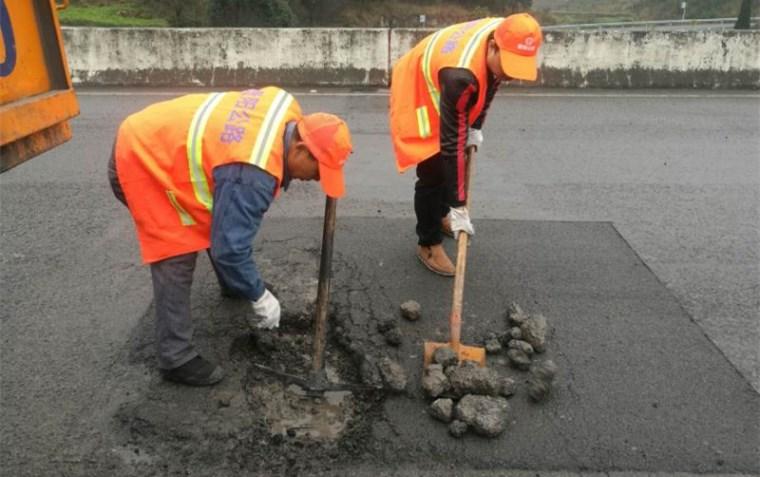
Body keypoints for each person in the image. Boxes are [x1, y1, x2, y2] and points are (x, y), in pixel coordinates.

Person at [108, 86, 352, 386]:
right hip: (144, 160)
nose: (315, 179)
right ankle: (176, 357)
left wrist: (244, 284)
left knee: (224, 217)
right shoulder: (253, 173)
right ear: (300, 149)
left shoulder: (285, 106)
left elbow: (227, 226)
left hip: (163, 138)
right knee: (176, 250)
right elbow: (230, 249)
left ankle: (234, 285)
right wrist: (259, 296)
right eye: (318, 171)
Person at [389, 13, 543, 276]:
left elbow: (493, 81)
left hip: (446, 78)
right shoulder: (461, 76)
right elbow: (451, 147)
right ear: (493, 46)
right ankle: (428, 242)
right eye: (506, 65)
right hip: (418, 88)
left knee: (452, 156)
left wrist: (475, 126)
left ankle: (439, 216)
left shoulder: (507, 31)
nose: (508, 75)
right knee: (433, 168)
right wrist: (459, 205)